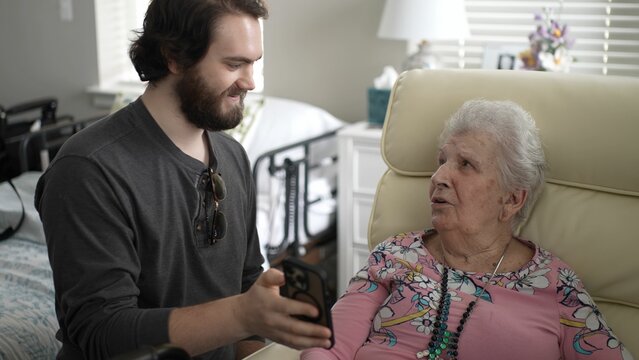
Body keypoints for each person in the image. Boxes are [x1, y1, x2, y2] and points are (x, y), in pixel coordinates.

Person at [35, 0, 332, 359]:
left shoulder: (233, 156)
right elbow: (101, 331)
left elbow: (247, 279)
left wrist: (255, 343)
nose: (250, 82)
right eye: (233, 64)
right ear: (174, 57)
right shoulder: (88, 168)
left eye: (254, 63)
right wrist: (240, 314)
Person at [301, 100, 634, 360]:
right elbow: (328, 346)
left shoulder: (555, 285)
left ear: (512, 199)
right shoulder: (394, 255)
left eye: (466, 164)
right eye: (441, 161)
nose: (439, 177)